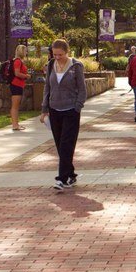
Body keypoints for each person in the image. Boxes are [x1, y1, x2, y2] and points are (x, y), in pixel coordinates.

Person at [39, 39, 87, 190]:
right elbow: (47, 87)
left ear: (67, 52)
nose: (57, 57)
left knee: (67, 143)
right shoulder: (51, 65)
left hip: (71, 110)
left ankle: (61, 179)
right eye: (55, 54)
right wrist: (44, 109)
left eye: (60, 54)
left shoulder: (76, 66)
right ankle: (71, 175)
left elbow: (82, 89)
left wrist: (78, 106)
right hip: (54, 109)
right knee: (60, 145)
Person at [9, 44, 29, 131]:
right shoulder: (17, 61)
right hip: (16, 84)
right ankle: (14, 125)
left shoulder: (20, 61)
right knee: (15, 106)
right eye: (25, 51)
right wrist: (26, 76)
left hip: (19, 85)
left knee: (16, 106)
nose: (26, 52)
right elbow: (17, 73)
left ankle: (16, 124)